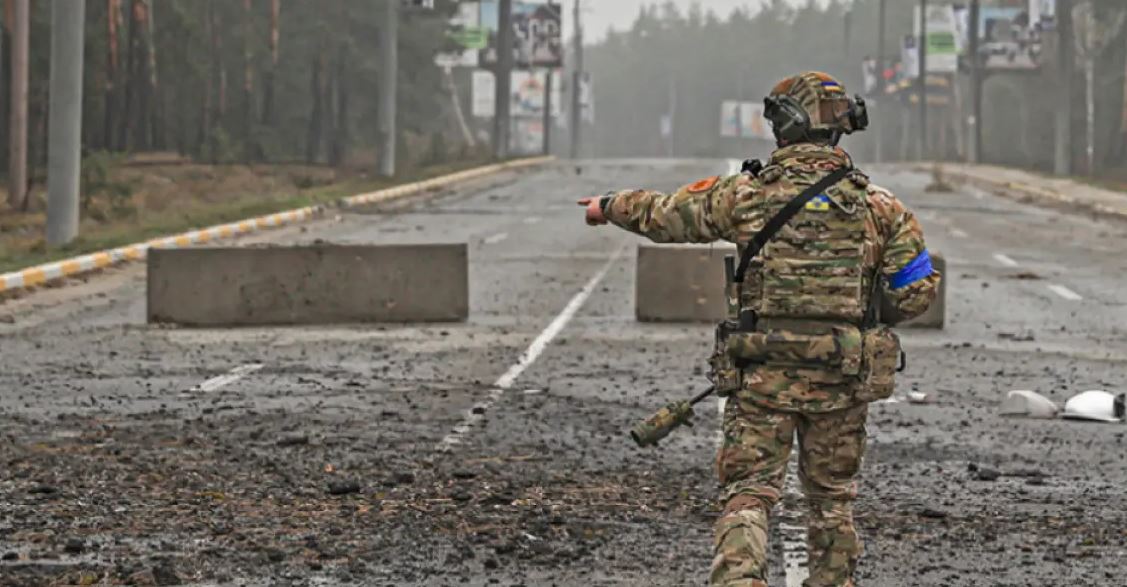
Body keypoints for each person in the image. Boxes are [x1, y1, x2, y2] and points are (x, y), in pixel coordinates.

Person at [578, 71, 940, 587]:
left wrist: (607, 205)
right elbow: (914, 293)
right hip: (841, 376)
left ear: (784, 125)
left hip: (761, 374)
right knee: (832, 501)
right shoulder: (881, 208)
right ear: (840, 129)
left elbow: (666, 216)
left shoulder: (745, 195)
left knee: (748, 492)